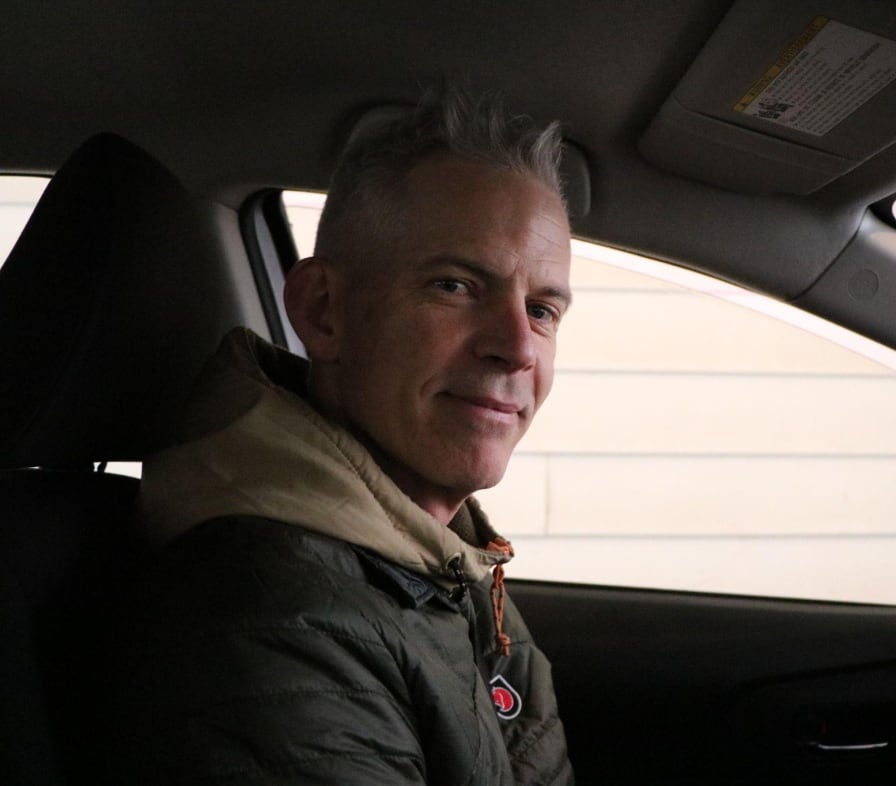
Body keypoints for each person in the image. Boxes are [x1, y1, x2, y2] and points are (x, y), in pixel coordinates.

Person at [106, 88, 576, 785]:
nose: (516, 347)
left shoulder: (445, 562)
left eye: (541, 309)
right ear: (324, 312)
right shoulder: (275, 616)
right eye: (455, 286)